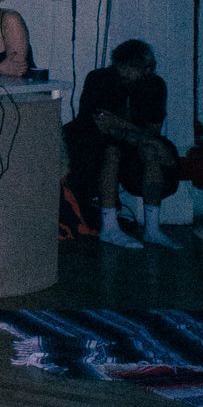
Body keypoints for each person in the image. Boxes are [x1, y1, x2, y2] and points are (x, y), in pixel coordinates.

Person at [67, 38, 179, 249]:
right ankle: (109, 228)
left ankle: (152, 229)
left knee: (152, 150)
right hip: (96, 142)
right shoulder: (100, 79)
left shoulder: (155, 86)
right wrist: (124, 131)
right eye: (121, 66)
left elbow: (152, 132)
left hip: (133, 140)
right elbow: (95, 123)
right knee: (112, 151)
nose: (124, 72)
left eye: (131, 68)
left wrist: (123, 126)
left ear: (147, 70)